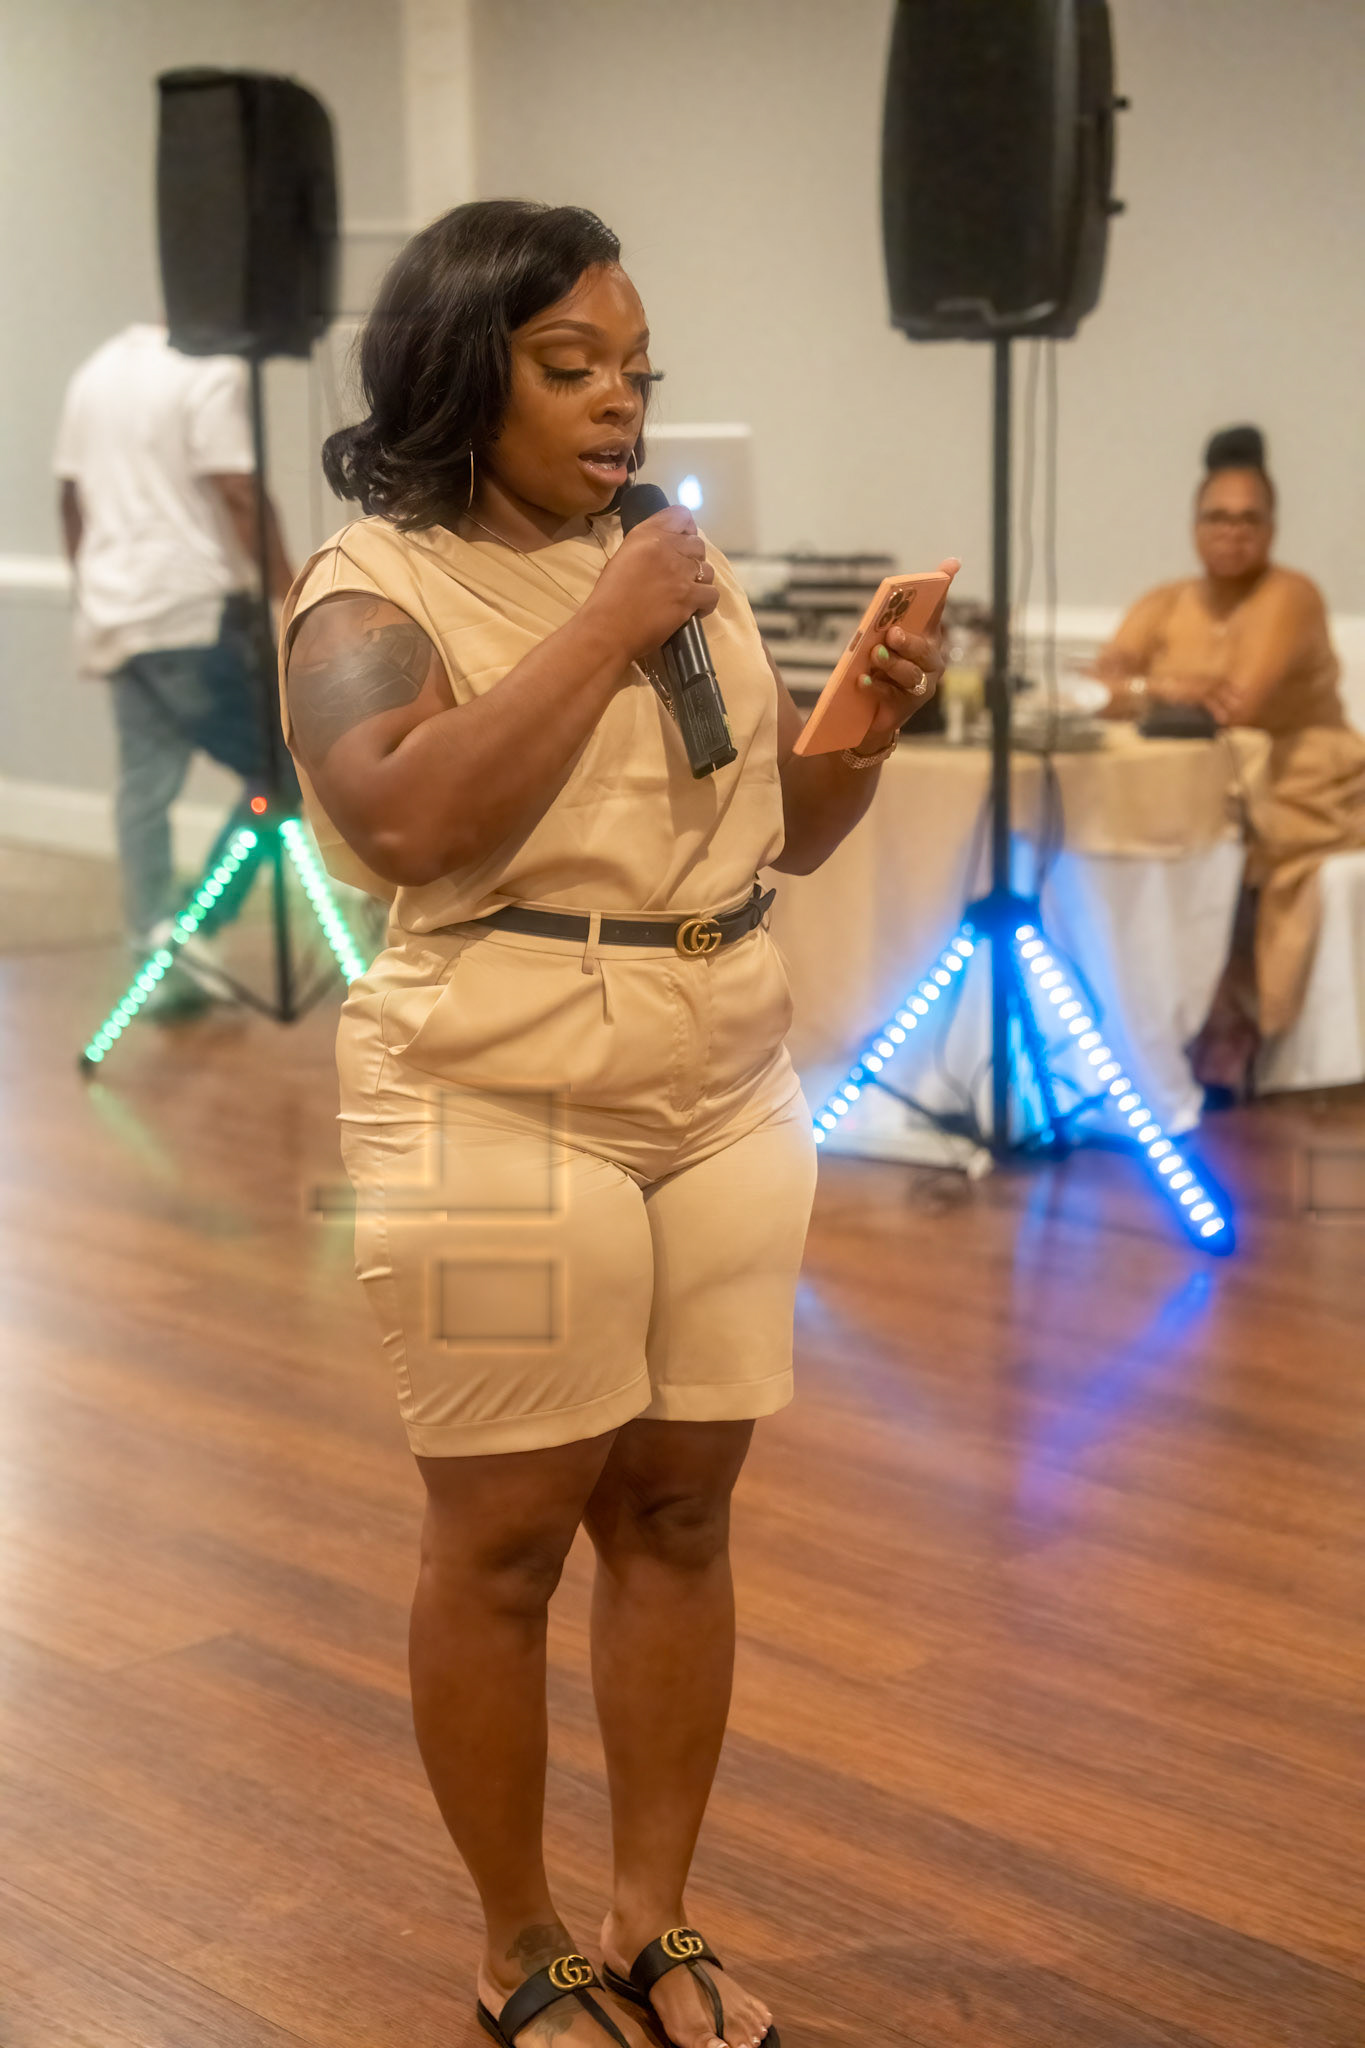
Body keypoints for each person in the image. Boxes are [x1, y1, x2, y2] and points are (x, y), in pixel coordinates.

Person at [281, 201, 952, 2048]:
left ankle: (654, 1915)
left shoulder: (664, 559)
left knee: (676, 1513)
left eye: (637, 371)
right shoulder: (372, 588)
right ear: (458, 370)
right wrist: (603, 623)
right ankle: (520, 1942)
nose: (619, 403)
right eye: (571, 366)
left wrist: (867, 718)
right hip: (491, 1101)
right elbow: (407, 825)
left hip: (723, 1086)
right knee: (503, 1539)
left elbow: (770, 833)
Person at [1096, 425, 1365, 1097]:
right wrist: (1169, 688)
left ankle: (1233, 1021)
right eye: (1217, 518)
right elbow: (1103, 685)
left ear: (1272, 529)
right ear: (1194, 526)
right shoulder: (1165, 601)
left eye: (1249, 520)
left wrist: (1148, 688)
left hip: (1302, 776)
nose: (1232, 534)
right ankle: (1145, 1021)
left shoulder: (1290, 595)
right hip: (1193, 774)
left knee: (1230, 838)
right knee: (1117, 829)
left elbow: (1238, 705)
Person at [55, 322, 297, 1002]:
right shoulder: (210, 371)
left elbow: (70, 501)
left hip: (116, 615)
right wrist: (294, 593)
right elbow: (238, 491)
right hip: (194, 613)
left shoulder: (97, 371)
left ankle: (153, 942)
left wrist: (93, 590)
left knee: (145, 789)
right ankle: (196, 933)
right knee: (286, 775)